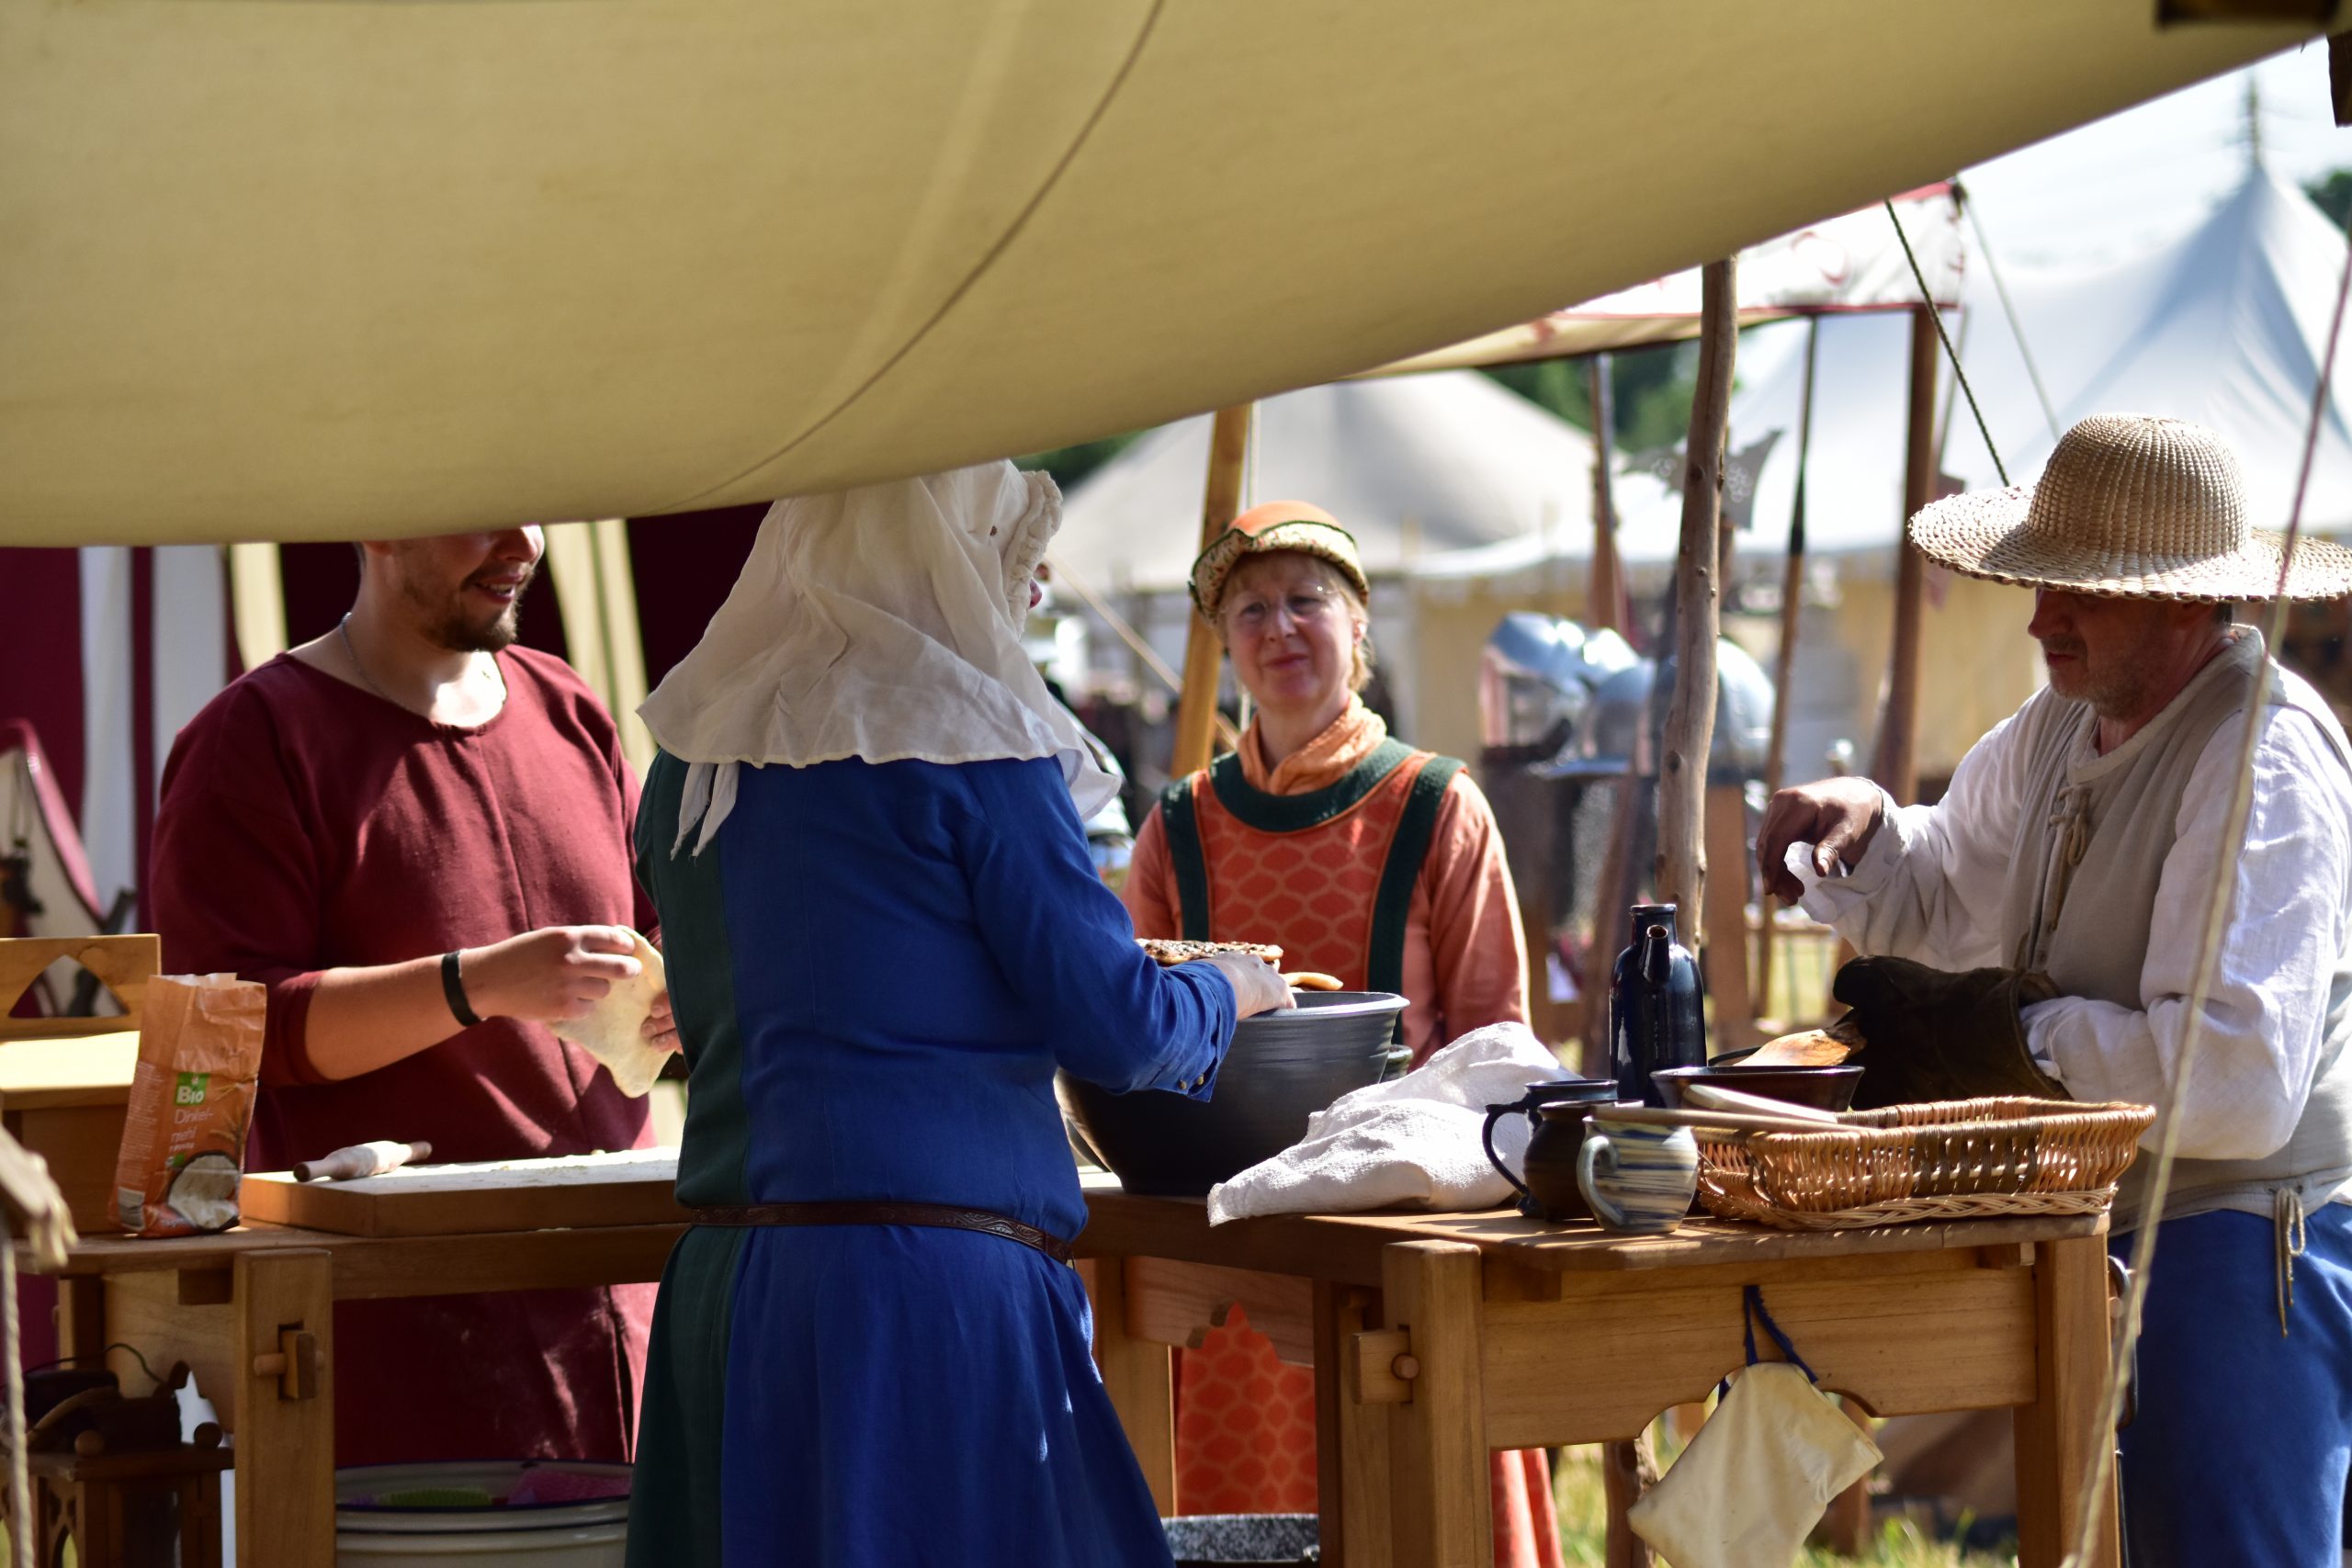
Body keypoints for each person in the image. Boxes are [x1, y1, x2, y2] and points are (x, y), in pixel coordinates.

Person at [624, 463, 1291, 1568]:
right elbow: (1120, 1027)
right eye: (1003, 553)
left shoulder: (691, 762)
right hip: (922, 1307)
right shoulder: (969, 746)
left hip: (731, 1299)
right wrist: (1229, 986)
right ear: (939, 554)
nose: (1029, 592)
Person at [1755, 413, 2352, 1568]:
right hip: (2098, 1234)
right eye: (2041, 581)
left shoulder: (2261, 757)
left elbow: (2233, 1080)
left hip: (2240, 1253)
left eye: (2082, 589)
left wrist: (2016, 1039)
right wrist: (1866, 830)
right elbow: (1947, 884)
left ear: (2184, 601)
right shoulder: (2060, 723)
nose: (2040, 617)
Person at [149, 525, 675, 1467]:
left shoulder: (569, 706)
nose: (523, 543)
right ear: (383, 519)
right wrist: (477, 983)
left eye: (534, 509)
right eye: (484, 510)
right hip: (403, 1368)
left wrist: (691, 995)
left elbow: (660, 924)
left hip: (628, 1332)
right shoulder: (255, 737)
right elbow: (236, 1034)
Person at [1123, 502, 1558, 1568]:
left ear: (1358, 626)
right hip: (1231, 1251)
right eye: (1251, 609)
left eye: (1306, 601)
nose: (1279, 628)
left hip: (1398, 1248)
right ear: (1224, 644)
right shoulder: (1178, 827)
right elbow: (1128, 1028)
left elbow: (1497, 1045)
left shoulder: (1436, 805)